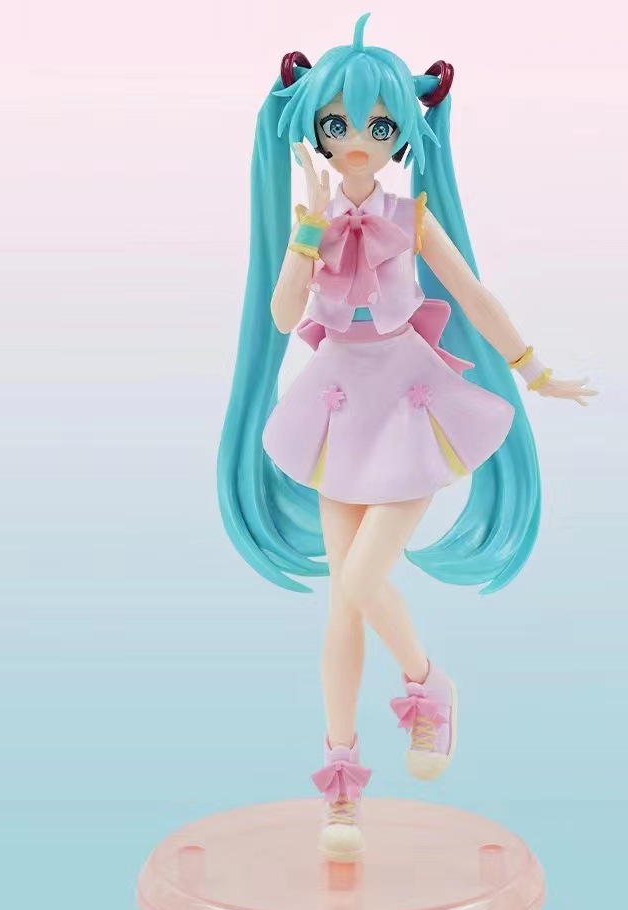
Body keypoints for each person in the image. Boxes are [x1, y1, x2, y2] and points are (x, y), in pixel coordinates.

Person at [217, 13, 596, 862]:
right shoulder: (310, 222)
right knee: (342, 604)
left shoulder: (410, 215)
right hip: (335, 407)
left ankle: (429, 685)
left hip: (410, 402)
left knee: (360, 578)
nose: (357, 142)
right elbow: (282, 316)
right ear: (313, 129)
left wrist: (534, 370)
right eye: (338, 124)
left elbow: (474, 294)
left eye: (380, 127)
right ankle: (341, 784)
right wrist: (306, 233)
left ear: (403, 135)